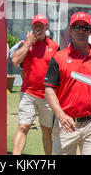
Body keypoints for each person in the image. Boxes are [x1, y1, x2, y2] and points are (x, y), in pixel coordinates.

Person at [44, 12, 91, 155]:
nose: (81, 31)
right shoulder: (58, 58)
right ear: (70, 30)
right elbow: (49, 90)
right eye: (76, 27)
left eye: (85, 28)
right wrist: (61, 115)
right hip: (66, 123)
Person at [10, 14, 59, 155]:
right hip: (28, 93)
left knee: (46, 130)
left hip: (47, 95)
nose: (38, 28)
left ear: (46, 27)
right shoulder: (24, 43)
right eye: (36, 25)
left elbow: (60, 71)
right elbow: (15, 61)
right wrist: (28, 44)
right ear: (32, 27)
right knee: (23, 127)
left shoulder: (54, 46)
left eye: (41, 25)